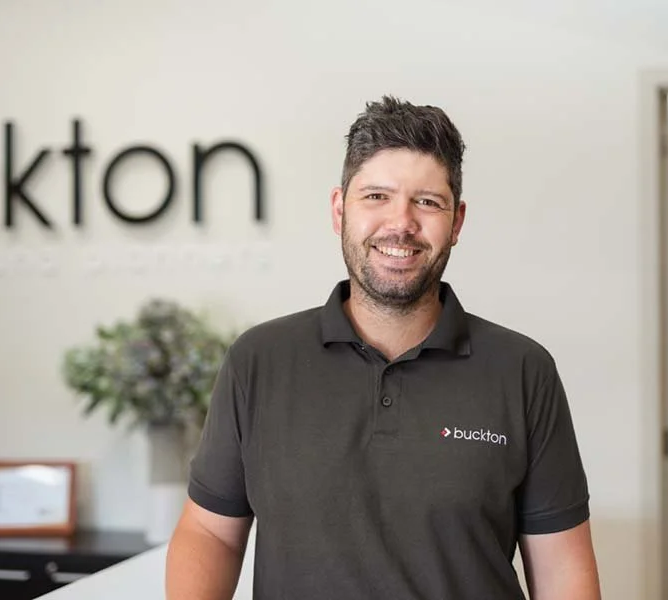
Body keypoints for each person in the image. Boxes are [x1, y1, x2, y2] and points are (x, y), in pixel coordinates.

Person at [165, 96, 601, 600]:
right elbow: (210, 532)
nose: (401, 223)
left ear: (456, 222)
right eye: (376, 196)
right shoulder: (259, 361)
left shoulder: (524, 370)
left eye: (427, 201)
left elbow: (563, 568)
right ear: (338, 209)